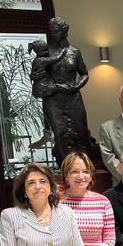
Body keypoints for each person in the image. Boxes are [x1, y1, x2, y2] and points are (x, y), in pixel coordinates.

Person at [36, 17, 93, 163]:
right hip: (54, 99)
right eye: (51, 31)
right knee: (61, 133)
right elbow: (39, 73)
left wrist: (76, 85)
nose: (53, 34)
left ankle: (83, 167)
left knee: (80, 132)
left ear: (65, 31)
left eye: (56, 31)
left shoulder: (75, 52)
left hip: (73, 97)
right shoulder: (46, 52)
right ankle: (65, 167)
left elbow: (84, 74)